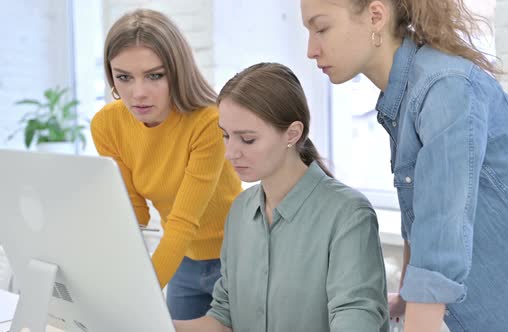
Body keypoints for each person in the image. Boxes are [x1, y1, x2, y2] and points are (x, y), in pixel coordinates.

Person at [300, 0, 508, 331]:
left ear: (375, 16)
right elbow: (421, 219)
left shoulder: (444, 86)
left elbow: (441, 234)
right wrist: (407, 300)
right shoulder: (403, 97)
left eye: (321, 28)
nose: (311, 49)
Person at [173, 62, 389, 332]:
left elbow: (356, 319)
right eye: (226, 136)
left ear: (292, 133)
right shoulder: (240, 211)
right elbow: (224, 315)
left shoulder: (348, 215)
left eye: (247, 139)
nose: (230, 153)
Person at [90, 9, 242, 320]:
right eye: (124, 77)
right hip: (182, 260)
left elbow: (184, 222)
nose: (138, 93)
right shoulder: (107, 125)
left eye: (154, 75)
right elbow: (134, 213)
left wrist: (136, 298)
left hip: (237, 259)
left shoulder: (209, 122)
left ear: (177, 71)